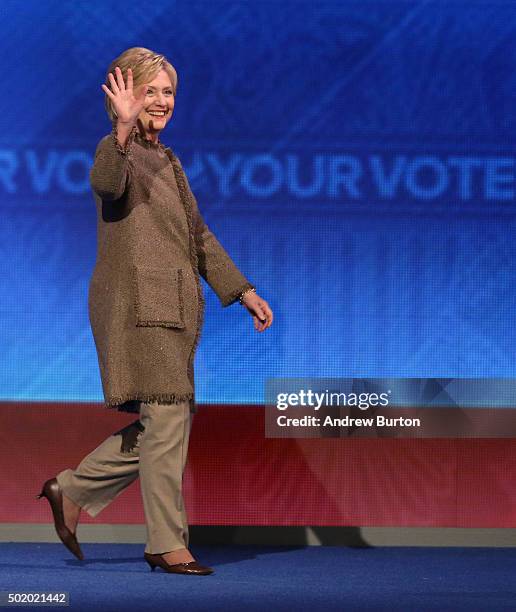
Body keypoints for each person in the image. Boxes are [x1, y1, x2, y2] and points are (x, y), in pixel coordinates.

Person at [36, 47, 273, 576]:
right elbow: (106, 184)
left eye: (169, 92)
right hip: (141, 304)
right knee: (167, 419)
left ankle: (69, 490)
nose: (162, 101)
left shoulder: (166, 159)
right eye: (151, 91)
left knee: (166, 423)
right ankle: (166, 543)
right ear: (126, 95)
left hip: (173, 305)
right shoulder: (116, 151)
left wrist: (241, 291)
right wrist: (120, 132)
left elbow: (198, 238)